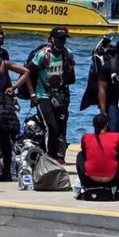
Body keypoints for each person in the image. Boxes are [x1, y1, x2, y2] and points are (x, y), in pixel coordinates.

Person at [0, 36, 32, 182]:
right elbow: (26, 72)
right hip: (5, 103)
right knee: (5, 139)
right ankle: (7, 172)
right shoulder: (5, 63)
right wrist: (13, 87)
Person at [26, 27, 77, 164]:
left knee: (61, 126)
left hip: (61, 96)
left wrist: (69, 69)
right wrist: (32, 94)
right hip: (43, 95)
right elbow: (26, 73)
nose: (62, 42)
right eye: (59, 39)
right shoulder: (43, 55)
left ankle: (60, 156)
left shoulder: (68, 54)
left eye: (64, 39)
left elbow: (72, 80)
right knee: (52, 126)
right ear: (51, 39)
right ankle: (50, 156)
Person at [78, 114, 119, 191]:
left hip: (90, 180)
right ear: (106, 125)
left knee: (80, 155)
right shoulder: (116, 136)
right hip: (112, 180)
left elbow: (84, 151)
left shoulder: (85, 137)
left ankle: (83, 186)